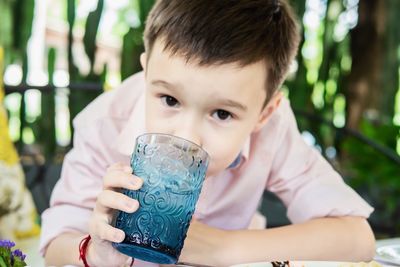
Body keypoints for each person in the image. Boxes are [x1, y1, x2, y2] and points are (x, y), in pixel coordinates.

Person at [40, 0, 375, 266]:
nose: (188, 138)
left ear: (264, 113)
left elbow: (358, 238)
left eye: (222, 113)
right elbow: (55, 243)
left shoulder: (273, 127)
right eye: (169, 99)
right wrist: (93, 254)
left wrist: (221, 247)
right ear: (146, 76)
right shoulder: (104, 120)